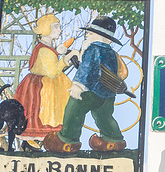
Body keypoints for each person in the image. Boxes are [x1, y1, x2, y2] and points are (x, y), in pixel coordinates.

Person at [44, 16, 127, 154]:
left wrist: (78, 86)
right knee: (104, 117)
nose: (87, 35)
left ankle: (67, 141)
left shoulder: (92, 48)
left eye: (90, 33)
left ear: (101, 37)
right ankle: (113, 140)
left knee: (73, 112)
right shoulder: (110, 52)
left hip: (89, 91)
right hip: (107, 93)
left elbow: (88, 68)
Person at [15, 14, 77, 150]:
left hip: (45, 85)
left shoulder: (46, 47)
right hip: (42, 87)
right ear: (46, 29)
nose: (59, 30)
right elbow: (53, 72)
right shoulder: (43, 50)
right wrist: (67, 58)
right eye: (55, 27)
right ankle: (33, 142)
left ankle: (44, 141)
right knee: (42, 114)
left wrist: (60, 53)